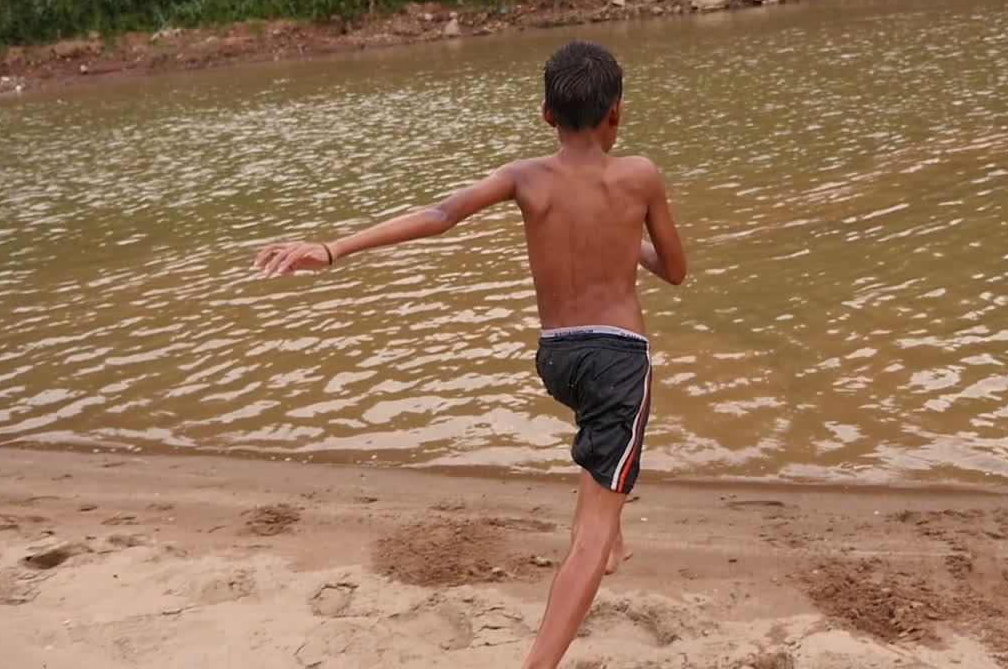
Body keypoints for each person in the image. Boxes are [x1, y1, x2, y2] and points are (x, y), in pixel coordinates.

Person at [255, 40, 687, 668]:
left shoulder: (523, 177)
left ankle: (613, 536)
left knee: (602, 455)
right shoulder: (641, 176)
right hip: (617, 359)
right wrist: (629, 242)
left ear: (546, 114)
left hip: (558, 361)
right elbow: (674, 270)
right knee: (589, 531)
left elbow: (440, 214)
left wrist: (334, 247)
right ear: (618, 111)